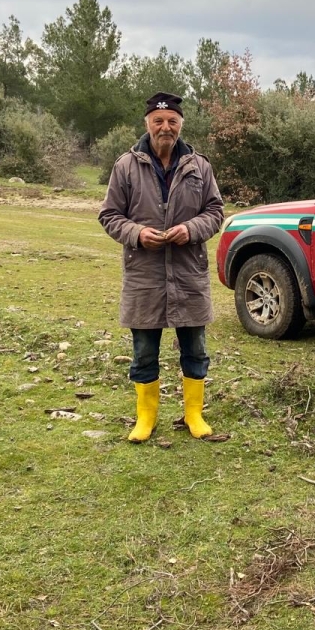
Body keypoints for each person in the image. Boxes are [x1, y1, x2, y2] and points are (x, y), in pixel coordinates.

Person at [98, 92, 224, 442]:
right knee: (144, 351)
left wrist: (191, 229)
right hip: (144, 276)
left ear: (181, 124)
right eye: (158, 121)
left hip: (188, 274)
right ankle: (146, 418)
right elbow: (108, 215)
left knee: (195, 348)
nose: (165, 127)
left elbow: (215, 212)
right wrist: (137, 233)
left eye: (172, 122)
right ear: (147, 124)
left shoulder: (200, 166)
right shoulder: (126, 166)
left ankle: (194, 415)